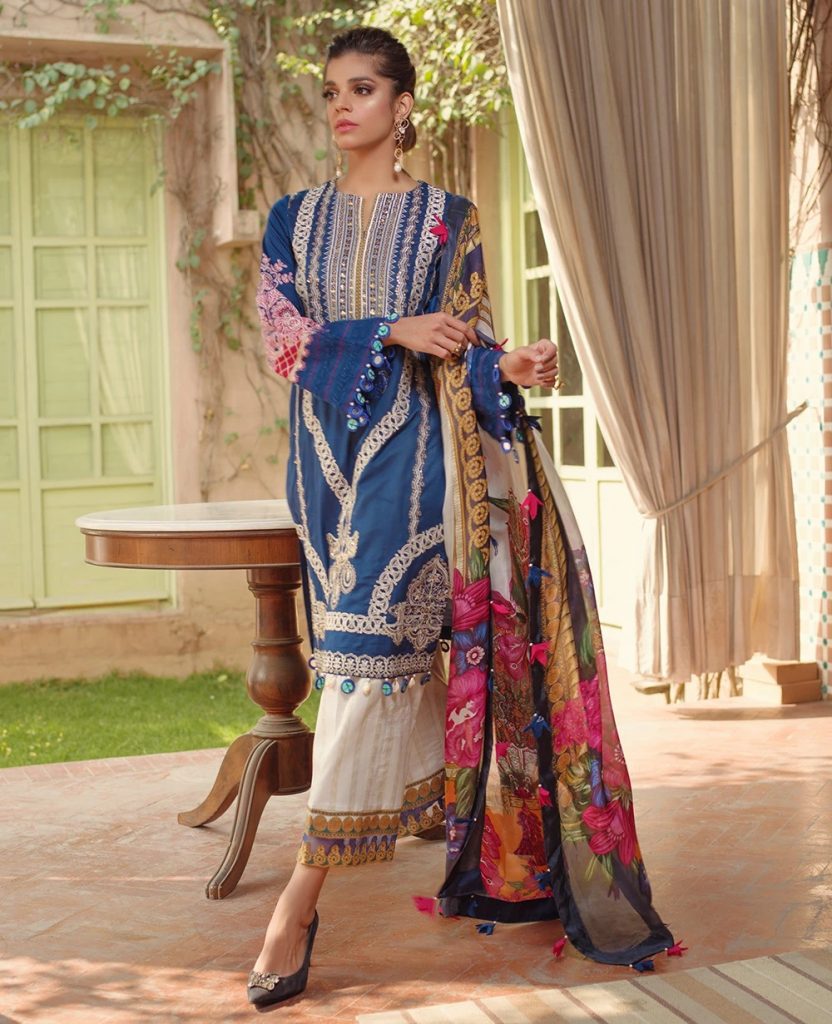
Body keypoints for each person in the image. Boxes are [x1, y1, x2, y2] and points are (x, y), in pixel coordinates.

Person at [251, 26, 673, 1011]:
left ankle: (294, 906)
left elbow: (468, 345)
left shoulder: (449, 220)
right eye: (332, 91)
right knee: (369, 670)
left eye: (362, 90)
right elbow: (283, 343)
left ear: (402, 106)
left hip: (421, 476)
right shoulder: (291, 220)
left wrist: (505, 363)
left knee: (363, 668)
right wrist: (391, 329)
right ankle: (452, 825)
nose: (342, 106)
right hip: (324, 475)